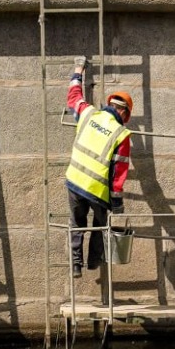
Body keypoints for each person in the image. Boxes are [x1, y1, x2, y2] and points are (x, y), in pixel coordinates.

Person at [64, 59, 133, 279]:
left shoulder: (89, 114)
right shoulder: (121, 135)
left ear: (110, 105)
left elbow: (74, 97)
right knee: (100, 225)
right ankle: (94, 261)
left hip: (74, 181)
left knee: (77, 223)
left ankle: (76, 264)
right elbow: (118, 176)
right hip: (98, 189)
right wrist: (118, 204)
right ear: (125, 115)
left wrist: (78, 71)